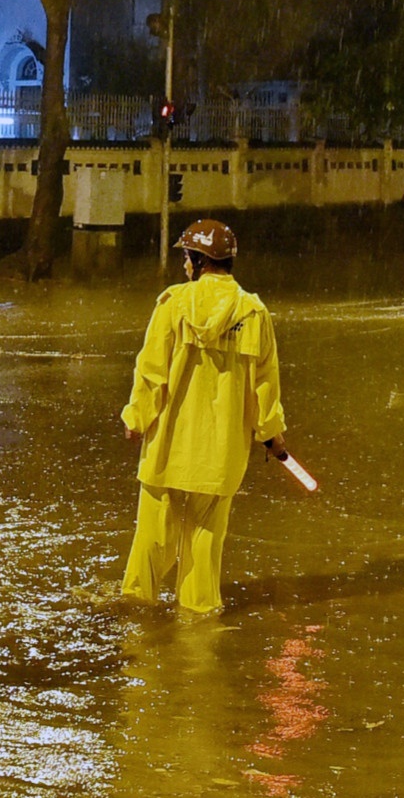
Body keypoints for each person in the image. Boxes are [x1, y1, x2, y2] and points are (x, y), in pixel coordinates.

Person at [120, 219, 287, 617]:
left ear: (197, 260)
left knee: (150, 544)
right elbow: (265, 383)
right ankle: (197, 630)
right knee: (204, 547)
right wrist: (271, 436)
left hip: (168, 448)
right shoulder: (254, 311)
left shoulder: (173, 304)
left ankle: (134, 618)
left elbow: (151, 372)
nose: (183, 266)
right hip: (220, 455)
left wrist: (137, 417)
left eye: (185, 258)